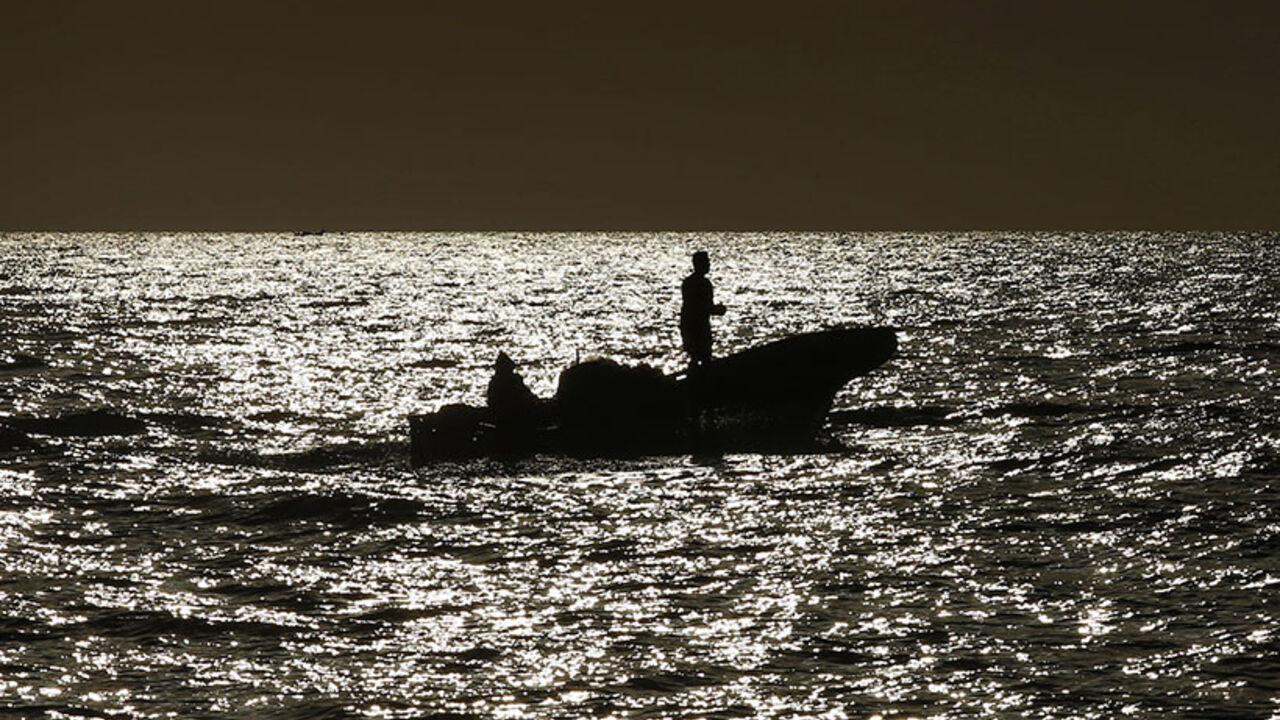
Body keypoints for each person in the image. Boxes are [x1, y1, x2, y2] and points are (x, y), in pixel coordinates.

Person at [679, 250, 726, 367]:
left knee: (694, 357)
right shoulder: (704, 284)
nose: (709, 264)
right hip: (699, 327)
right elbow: (703, 307)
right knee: (704, 357)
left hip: (688, 325)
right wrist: (719, 310)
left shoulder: (688, 282)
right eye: (707, 262)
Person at [486, 351, 539, 426]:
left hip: (504, 415)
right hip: (515, 415)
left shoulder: (495, 382)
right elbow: (524, 396)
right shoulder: (512, 381)